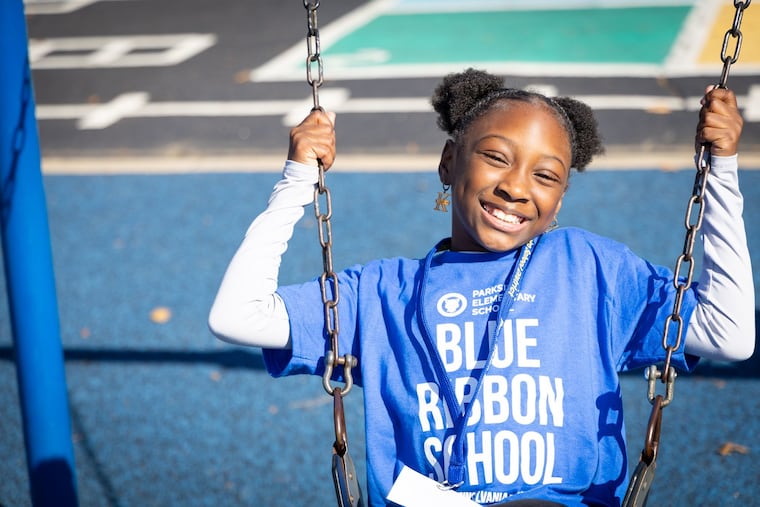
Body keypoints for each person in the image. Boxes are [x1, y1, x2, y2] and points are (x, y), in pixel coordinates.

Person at [208, 68, 754, 507]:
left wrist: (723, 170)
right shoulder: (381, 292)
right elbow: (237, 315)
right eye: (496, 157)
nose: (517, 187)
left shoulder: (589, 268)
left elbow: (730, 335)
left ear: (559, 201)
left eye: (546, 176)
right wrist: (298, 178)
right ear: (449, 162)